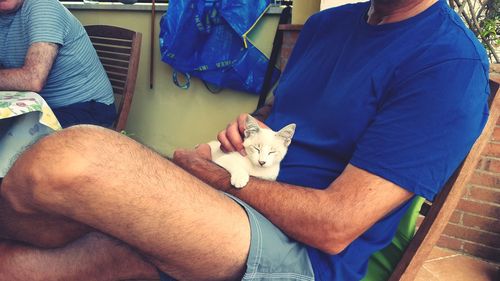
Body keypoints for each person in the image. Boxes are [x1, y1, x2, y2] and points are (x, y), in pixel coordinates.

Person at [0, 0, 490, 280]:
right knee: (56, 244)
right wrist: (249, 127)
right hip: (238, 201)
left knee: (72, 159)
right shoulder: (326, 26)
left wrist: (218, 177)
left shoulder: (447, 64)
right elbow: (278, 112)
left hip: (305, 256)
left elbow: (336, 226)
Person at [0, 0, 116, 128]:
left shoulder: (43, 5)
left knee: (12, 138)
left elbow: (33, 79)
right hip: (39, 107)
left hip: (87, 107)